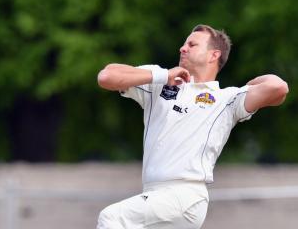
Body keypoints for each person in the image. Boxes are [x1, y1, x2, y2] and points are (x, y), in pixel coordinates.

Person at [96, 24, 289, 229]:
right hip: (155, 195)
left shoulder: (225, 99)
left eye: (192, 44)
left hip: (184, 195)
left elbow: (278, 87)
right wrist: (161, 76)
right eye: (183, 44)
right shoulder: (160, 81)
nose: (182, 48)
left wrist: (251, 83)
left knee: (112, 218)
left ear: (213, 55)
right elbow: (107, 76)